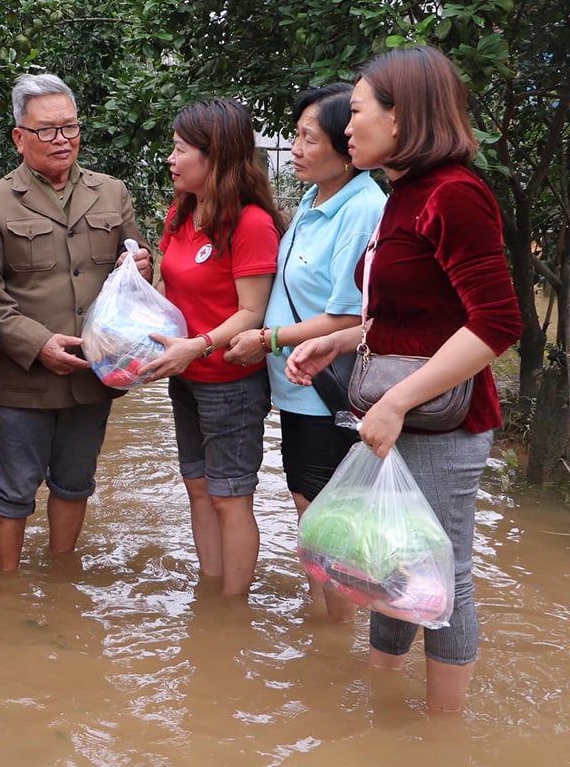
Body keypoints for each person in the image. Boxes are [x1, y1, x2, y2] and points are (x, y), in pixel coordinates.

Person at [286, 46, 521, 712]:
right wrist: (335, 341)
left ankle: (443, 732)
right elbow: (401, 316)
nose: (347, 127)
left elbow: (497, 321)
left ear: (402, 116)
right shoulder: (403, 196)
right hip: (396, 413)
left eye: (358, 112)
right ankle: (384, 708)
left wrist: (396, 402)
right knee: (386, 562)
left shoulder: (454, 194)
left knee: (445, 573)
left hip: (443, 423)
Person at [0, 73, 152, 571]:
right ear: (19, 137)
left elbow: (136, 264)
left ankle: (61, 577)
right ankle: (7, 588)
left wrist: (142, 265)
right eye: (46, 130)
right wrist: (40, 344)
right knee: (12, 491)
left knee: (75, 483)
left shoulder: (111, 193)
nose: (61, 139)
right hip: (25, 379)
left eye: (69, 127)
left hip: (94, 372)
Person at [227, 84, 386, 620]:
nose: (295, 149)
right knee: (310, 506)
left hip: (330, 387)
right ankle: (322, 620)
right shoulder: (317, 200)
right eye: (295, 136)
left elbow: (350, 317)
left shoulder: (361, 209)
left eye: (308, 138)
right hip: (300, 389)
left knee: (325, 514)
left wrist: (267, 339)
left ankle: (337, 633)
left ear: (347, 148)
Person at [141, 98, 287, 596]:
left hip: (230, 382)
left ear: (215, 156)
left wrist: (198, 346)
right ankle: (211, 595)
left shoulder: (250, 223)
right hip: (185, 376)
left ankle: (233, 608)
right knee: (198, 488)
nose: (171, 158)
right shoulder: (181, 211)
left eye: (181, 149)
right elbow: (170, 288)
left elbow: (251, 312)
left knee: (230, 497)